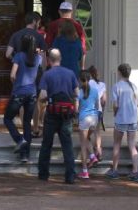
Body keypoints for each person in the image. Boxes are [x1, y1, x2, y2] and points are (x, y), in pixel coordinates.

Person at [37, 48, 79, 184]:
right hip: (67, 114)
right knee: (67, 145)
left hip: (52, 113)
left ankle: (43, 174)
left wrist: (44, 100)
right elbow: (77, 93)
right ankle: (70, 176)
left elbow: (43, 95)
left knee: (46, 144)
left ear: (49, 60)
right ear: (60, 59)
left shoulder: (47, 75)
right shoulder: (71, 74)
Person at [6, 12, 46, 137]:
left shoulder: (16, 35)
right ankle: (35, 129)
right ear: (34, 21)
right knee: (34, 101)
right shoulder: (38, 36)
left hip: (20, 72)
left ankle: (25, 129)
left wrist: (17, 60)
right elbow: (43, 59)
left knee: (22, 102)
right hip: (36, 72)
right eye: (38, 22)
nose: (39, 25)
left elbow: (7, 54)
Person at [3, 35, 42, 162]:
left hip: (19, 92)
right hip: (32, 93)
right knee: (27, 123)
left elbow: (12, 75)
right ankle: (25, 155)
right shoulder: (38, 58)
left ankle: (19, 140)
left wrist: (15, 83)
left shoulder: (19, 56)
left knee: (8, 118)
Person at [106, 63, 138, 182]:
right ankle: (135, 171)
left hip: (121, 118)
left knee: (117, 144)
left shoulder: (117, 86)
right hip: (133, 119)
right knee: (132, 144)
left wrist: (115, 113)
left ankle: (114, 170)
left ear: (119, 72)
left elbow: (115, 104)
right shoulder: (134, 86)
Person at [76, 70, 99, 179]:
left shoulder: (79, 92)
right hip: (94, 118)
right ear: (89, 79)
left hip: (84, 118)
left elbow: (76, 109)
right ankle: (93, 156)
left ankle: (85, 171)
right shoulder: (95, 90)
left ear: (80, 80)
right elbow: (97, 105)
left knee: (83, 145)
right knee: (86, 139)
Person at [87, 65, 107, 162]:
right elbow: (104, 100)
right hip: (98, 110)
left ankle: (92, 154)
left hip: (90, 110)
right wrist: (102, 109)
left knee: (86, 134)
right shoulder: (102, 84)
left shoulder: (88, 83)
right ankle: (99, 150)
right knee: (97, 132)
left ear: (89, 74)